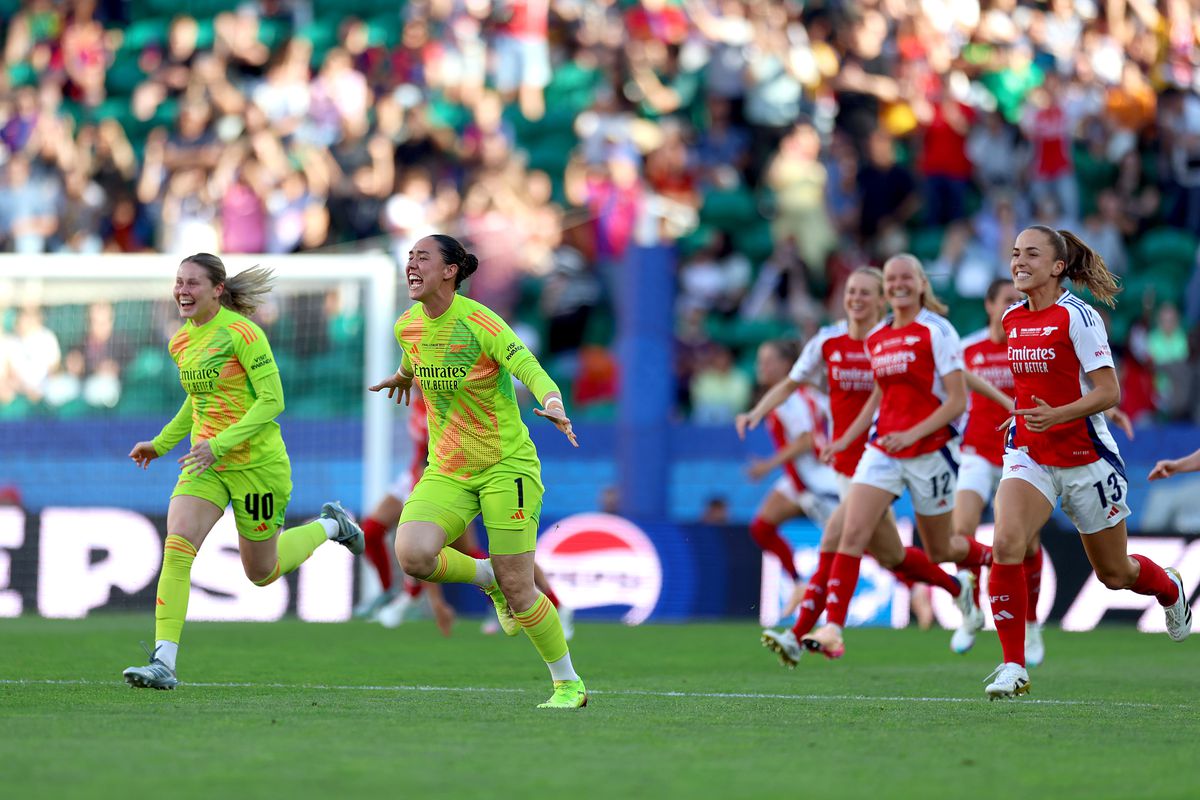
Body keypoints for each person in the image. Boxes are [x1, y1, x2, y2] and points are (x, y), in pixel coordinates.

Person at [123, 254, 365, 690]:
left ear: (217, 290)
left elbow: (273, 400)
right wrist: (160, 444)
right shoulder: (181, 341)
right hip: (206, 464)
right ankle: (164, 661)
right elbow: (197, 401)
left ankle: (332, 525)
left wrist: (218, 444)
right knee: (177, 547)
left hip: (257, 466)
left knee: (262, 572)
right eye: (179, 282)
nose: (182, 291)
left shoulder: (242, 333)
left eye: (193, 283)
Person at [369, 234, 585, 709]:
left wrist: (552, 401)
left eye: (422, 257)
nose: (411, 265)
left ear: (450, 271)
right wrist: (401, 378)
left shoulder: (480, 322)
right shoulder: (407, 325)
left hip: (506, 466)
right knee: (413, 554)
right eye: (409, 258)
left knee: (520, 588)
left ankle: (568, 684)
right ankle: (486, 576)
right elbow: (414, 358)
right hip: (449, 469)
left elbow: (528, 367)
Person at [983, 226, 1192, 700]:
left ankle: (1169, 588)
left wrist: (1058, 414)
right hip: (1030, 452)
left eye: (1031, 254)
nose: (1019, 262)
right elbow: (1035, 384)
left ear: (1057, 267)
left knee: (1115, 574)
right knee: (1007, 542)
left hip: (1086, 458)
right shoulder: (1013, 318)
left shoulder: (1078, 316)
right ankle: (1014, 666)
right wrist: (1022, 414)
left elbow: (1108, 391)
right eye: (1015, 253)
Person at [741, 267, 986, 665]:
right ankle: (954, 589)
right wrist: (757, 411)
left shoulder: (894, 338)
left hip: (886, 455)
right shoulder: (829, 340)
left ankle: (805, 633)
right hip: (850, 464)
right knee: (890, 556)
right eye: (851, 291)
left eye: (865, 292)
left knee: (839, 539)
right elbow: (792, 382)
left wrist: (1004, 402)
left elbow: (955, 381)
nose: (856, 298)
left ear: (881, 299)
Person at [355, 393, 575, 639]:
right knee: (373, 531)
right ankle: (392, 593)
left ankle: (550, 604)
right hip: (422, 475)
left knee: (497, 554)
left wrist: (436, 602)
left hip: (460, 475)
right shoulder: (419, 398)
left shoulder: (451, 399)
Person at [742, 339, 842, 616]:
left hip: (816, 481)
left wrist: (767, 465)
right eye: (760, 361)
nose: (761, 367)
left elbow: (806, 440)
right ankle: (798, 584)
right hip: (797, 480)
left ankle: (916, 585)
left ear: (786, 365)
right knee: (762, 528)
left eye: (768, 361)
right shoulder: (796, 395)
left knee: (859, 543)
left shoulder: (789, 399)